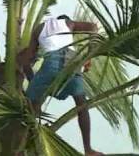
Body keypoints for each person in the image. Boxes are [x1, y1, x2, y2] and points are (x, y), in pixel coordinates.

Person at [19, 15, 104, 156]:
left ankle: (20, 150)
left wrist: (33, 83)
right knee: (82, 105)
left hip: (51, 62)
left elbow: (27, 61)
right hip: (71, 62)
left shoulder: (39, 28)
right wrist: (90, 55)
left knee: (30, 108)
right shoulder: (68, 23)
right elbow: (93, 27)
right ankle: (88, 150)